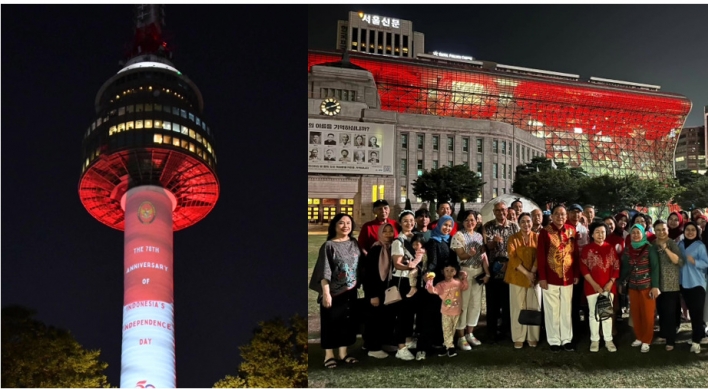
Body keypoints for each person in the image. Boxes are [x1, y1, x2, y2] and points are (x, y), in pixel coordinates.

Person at [309, 214, 363, 368]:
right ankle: (329, 355)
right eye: (341, 223)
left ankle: (343, 353)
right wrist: (326, 293)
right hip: (333, 292)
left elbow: (360, 264)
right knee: (330, 323)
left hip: (350, 290)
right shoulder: (329, 246)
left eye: (348, 223)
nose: (345, 226)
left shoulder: (354, 243)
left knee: (347, 322)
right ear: (334, 226)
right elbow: (324, 271)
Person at [537, 204, 579, 352]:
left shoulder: (572, 231)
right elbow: (541, 257)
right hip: (550, 277)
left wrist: (576, 273)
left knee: (566, 309)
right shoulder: (545, 232)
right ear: (552, 216)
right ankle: (554, 340)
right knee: (552, 310)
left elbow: (575, 254)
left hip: (568, 277)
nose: (560, 217)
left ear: (566, 216)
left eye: (562, 214)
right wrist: (542, 277)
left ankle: (566, 339)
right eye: (557, 214)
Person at [417, 215, 455, 360]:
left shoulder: (449, 240)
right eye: (445, 225)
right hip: (436, 282)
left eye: (449, 226)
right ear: (439, 225)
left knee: (443, 314)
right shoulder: (434, 241)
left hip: (448, 281)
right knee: (429, 314)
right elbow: (432, 262)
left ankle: (439, 342)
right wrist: (428, 274)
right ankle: (423, 347)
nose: (447, 228)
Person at [450, 210, 489, 350]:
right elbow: (460, 255)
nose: (470, 223)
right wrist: (469, 254)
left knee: (475, 303)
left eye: (472, 220)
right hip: (464, 272)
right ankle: (460, 336)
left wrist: (487, 273)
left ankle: (470, 333)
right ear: (462, 222)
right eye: (467, 220)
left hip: (478, 271)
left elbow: (483, 256)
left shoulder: (479, 236)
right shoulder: (458, 236)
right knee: (463, 304)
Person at [579, 222, 620, 352]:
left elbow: (616, 267)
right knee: (593, 315)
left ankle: (608, 340)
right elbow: (584, 269)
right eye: (597, 232)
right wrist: (595, 285)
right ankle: (594, 340)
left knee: (606, 314)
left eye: (603, 232)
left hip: (608, 287)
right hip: (592, 287)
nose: (600, 234)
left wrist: (611, 282)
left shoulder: (610, 248)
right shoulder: (587, 249)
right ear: (592, 234)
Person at [482, 201, 519, 342]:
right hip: (493, 266)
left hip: (510, 266)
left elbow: (518, 246)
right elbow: (486, 246)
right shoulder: (488, 226)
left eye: (503, 210)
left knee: (507, 300)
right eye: (497, 210)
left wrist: (509, 263)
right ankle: (491, 331)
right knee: (492, 301)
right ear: (494, 212)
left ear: (507, 211)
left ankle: (506, 330)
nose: (500, 213)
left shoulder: (514, 226)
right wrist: (494, 242)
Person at [620, 224, 660, 353]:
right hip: (633, 286)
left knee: (648, 315)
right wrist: (619, 281)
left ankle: (647, 339)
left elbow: (655, 268)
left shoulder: (650, 248)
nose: (636, 235)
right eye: (633, 233)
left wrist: (655, 286)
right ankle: (639, 336)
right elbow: (626, 268)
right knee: (636, 313)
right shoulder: (628, 249)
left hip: (647, 287)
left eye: (638, 232)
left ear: (643, 234)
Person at [505, 212, 541, 349]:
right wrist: (527, 273)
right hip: (517, 276)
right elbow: (512, 257)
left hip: (534, 277)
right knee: (518, 307)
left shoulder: (537, 238)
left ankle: (533, 336)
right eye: (523, 222)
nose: (526, 224)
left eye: (528, 221)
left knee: (534, 306)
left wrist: (532, 272)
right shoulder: (513, 238)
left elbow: (539, 256)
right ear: (519, 224)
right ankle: (518, 337)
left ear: (532, 223)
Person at [390, 210, 420, 361]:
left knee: (410, 313)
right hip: (402, 281)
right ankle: (400, 347)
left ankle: (407, 340)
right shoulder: (398, 241)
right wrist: (412, 266)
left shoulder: (416, 238)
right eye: (405, 221)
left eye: (411, 220)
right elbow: (397, 264)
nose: (409, 223)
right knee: (402, 314)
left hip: (414, 280)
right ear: (400, 223)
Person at [363, 223, 396, 359]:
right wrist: (373, 295)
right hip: (376, 290)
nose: (388, 234)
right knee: (374, 319)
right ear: (380, 233)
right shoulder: (376, 249)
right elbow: (368, 274)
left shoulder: (393, 248)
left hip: (387, 290)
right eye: (385, 232)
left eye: (390, 231)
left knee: (386, 317)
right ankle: (373, 347)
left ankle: (384, 342)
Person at [425, 259, 469, 357]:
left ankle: (446, 346)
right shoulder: (441, 285)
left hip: (457, 311)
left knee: (452, 330)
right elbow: (431, 290)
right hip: (446, 312)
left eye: (452, 270)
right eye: (447, 270)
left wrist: (464, 277)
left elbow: (465, 286)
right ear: (442, 271)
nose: (449, 273)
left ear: (455, 271)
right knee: (446, 329)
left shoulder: (457, 282)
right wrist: (430, 280)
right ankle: (451, 348)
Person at [653, 219, 685, 351]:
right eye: (658, 230)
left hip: (671, 284)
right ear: (654, 231)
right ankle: (664, 333)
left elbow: (679, 261)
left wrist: (666, 248)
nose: (661, 232)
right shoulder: (652, 245)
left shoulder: (672, 243)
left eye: (663, 229)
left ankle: (670, 340)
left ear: (667, 230)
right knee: (661, 310)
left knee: (670, 312)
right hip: (657, 284)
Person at [678, 221, 708, 354]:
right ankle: (699, 335)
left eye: (693, 230)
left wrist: (695, 262)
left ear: (697, 232)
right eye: (687, 230)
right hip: (684, 284)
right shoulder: (680, 244)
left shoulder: (700, 246)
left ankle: (696, 342)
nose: (690, 232)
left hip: (697, 284)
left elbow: (706, 264)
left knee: (697, 315)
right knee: (692, 312)